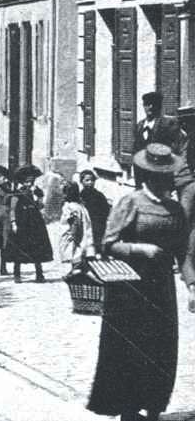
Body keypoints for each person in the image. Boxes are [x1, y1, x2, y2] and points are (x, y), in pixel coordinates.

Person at [87, 142, 195, 421]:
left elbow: (181, 251)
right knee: (130, 348)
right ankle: (128, 408)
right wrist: (141, 250)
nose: (168, 182)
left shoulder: (174, 209)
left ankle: (155, 406)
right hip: (129, 287)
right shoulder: (131, 202)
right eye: (162, 177)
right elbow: (108, 244)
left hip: (161, 289)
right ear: (149, 177)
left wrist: (192, 285)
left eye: (169, 177)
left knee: (161, 347)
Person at [7, 165, 53, 283]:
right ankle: (17, 274)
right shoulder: (17, 193)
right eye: (27, 182)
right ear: (22, 182)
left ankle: (39, 274)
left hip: (35, 222)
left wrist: (39, 198)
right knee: (20, 248)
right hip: (22, 222)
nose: (29, 184)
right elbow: (12, 208)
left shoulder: (36, 191)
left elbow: (40, 206)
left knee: (37, 247)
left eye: (31, 182)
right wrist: (13, 222)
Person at [133, 91, 188, 159]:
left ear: (159, 106)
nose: (150, 107)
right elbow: (135, 150)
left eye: (154, 104)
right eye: (147, 104)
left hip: (162, 167)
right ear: (143, 106)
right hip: (142, 167)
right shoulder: (139, 126)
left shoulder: (168, 124)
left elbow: (179, 148)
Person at [58, 181, 95, 276]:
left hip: (75, 234)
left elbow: (75, 222)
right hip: (83, 233)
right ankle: (78, 270)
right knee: (81, 251)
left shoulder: (70, 207)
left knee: (74, 251)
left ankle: (76, 271)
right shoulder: (80, 206)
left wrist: (72, 235)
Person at [79, 169, 111, 253]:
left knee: (97, 241)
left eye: (92, 180)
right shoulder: (80, 196)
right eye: (87, 180)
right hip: (86, 223)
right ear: (81, 182)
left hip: (98, 223)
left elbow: (106, 209)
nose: (90, 182)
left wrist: (102, 218)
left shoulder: (99, 195)